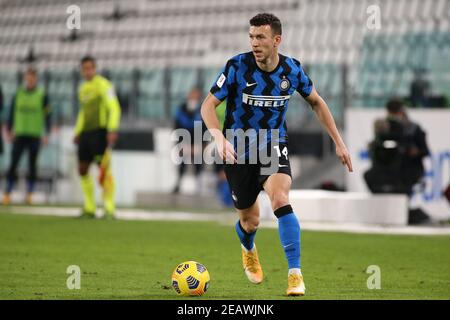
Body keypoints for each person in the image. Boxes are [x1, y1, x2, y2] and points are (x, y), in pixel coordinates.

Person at [200, 13, 352, 296]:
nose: (254, 43)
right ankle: (248, 246)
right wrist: (219, 137)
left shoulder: (292, 70)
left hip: (272, 142)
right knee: (250, 220)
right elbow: (208, 105)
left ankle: (295, 274)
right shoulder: (237, 66)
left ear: (276, 40)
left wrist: (339, 142)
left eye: (260, 37)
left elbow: (316, 102)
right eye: (251, 37)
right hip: (238, 147)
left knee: (281, 198)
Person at [74, 56, 121, 219]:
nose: (87, 71)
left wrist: (112, 129)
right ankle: (90, 207)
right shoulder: (82, 88)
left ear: (95, 68)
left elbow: (114, 107)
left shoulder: (103, 84)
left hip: (100, 132)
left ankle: (109, 208)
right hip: (86, 134)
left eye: (90, 68)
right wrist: (77, 131)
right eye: (84, 68)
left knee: (104, 169)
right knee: (82, 169)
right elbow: (83, 112)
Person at [3, 67, 51, 205]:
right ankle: (7, 192)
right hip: (19, 134)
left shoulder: (42, 95)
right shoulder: (18, 94)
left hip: (35, 135)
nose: (30, 80)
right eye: (28, 77)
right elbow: (11, 113)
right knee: (13, 164)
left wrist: (46, 133)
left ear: (36, 79)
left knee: (32, 165)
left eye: (32, 78)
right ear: (25, 78)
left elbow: (48, 115)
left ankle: (30, 194)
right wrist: (9, 129)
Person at [364, 98, 430, 196]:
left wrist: (414, 152)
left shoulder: (411, 128)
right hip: (385, 171)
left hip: (405, 171)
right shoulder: (383, 127)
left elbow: (424, 151)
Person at [172, 88, 204, 194]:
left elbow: (205, 129)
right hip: (184, 141)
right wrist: (181, 144)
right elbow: (177, 128)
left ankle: (198, 185)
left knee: (198, 160)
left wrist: (200, 145)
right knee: (182, 162)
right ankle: (178, 183)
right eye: (192, 95)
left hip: (197, 142)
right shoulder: (181, 109)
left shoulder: (202, 110)